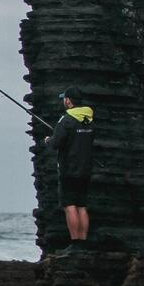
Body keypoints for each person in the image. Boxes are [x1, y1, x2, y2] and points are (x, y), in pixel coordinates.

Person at [44, 87, 96, 248]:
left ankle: (75, 241)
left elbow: (56, 143)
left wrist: (48, 140)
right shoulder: (89, 119)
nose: (64, 101)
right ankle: (84, 240)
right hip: (86, 168)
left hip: (69, 168)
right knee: (82, 205)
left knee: (70, 205)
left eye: (64, 99)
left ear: (68, 100)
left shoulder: (66, 120)